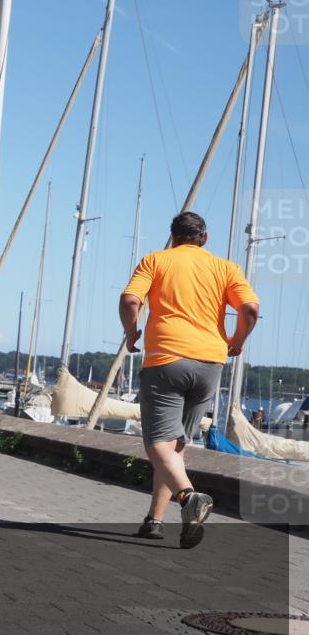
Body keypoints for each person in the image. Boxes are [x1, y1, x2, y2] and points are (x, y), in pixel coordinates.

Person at [120, 211, 259, 549]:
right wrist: (237, 342)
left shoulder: (156, 260)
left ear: (173, 236)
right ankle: (154, 520)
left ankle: (188, 498)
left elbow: (129, 300)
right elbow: (251, 309)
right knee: (175, 447)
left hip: (167, 360)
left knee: (156, 444)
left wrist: (131, 332)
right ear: (205, 239)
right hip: (210, 363)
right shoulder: (226, 268)